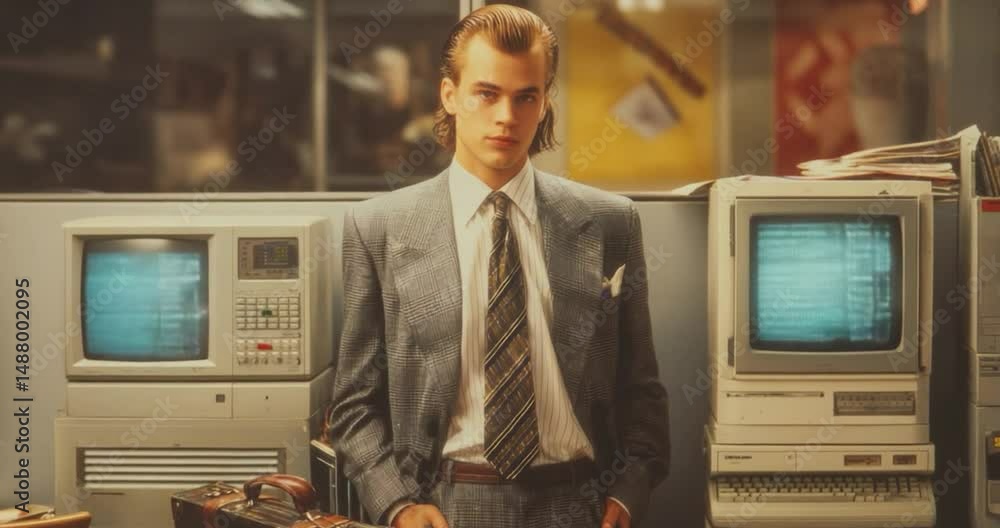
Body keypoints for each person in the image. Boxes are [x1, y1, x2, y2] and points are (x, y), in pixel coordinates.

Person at [328, 5, 670, 528]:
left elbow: (641, 389)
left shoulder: (609, 222)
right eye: (487, 94)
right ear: (450, 95)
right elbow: (353, 406)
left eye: (525, 96)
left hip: (579, 500)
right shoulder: (378, 228)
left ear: (544, 101)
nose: (507, 116)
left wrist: (627, 494)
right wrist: (398, 505)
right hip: (447, 503)